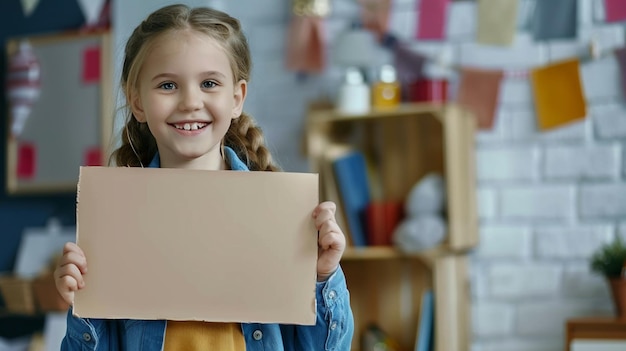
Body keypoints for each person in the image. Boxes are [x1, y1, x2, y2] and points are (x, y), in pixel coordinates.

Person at [53, 4, 354, 350]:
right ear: (137, 101)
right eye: (167, 85)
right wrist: (82, 304)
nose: (190, 101)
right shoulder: (114, 221)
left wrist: (320, 277)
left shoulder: (281, 217)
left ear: (237, 98)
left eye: (209, 83)